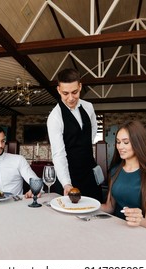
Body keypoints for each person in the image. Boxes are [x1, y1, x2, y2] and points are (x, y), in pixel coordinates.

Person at [100, 120, 146, 235]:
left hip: (145, 233)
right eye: (118, 142)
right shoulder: (114, 171)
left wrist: (139, 220)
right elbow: (109, 207)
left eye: (126, 142)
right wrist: (85, 204)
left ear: (138, 143)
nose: (120, 147)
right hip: (119, 230)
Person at [47, 68, 102, 201]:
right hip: (69, 175)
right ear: (59, 90)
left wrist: (83, 146)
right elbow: (58, 154)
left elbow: (93, 129)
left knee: (96, 208)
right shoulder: (55, 117)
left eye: (75, 92)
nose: (71, 98)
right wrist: (66, 183)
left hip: (89, 171)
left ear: (80, 86)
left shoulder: (88, 107)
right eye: (65, 93)